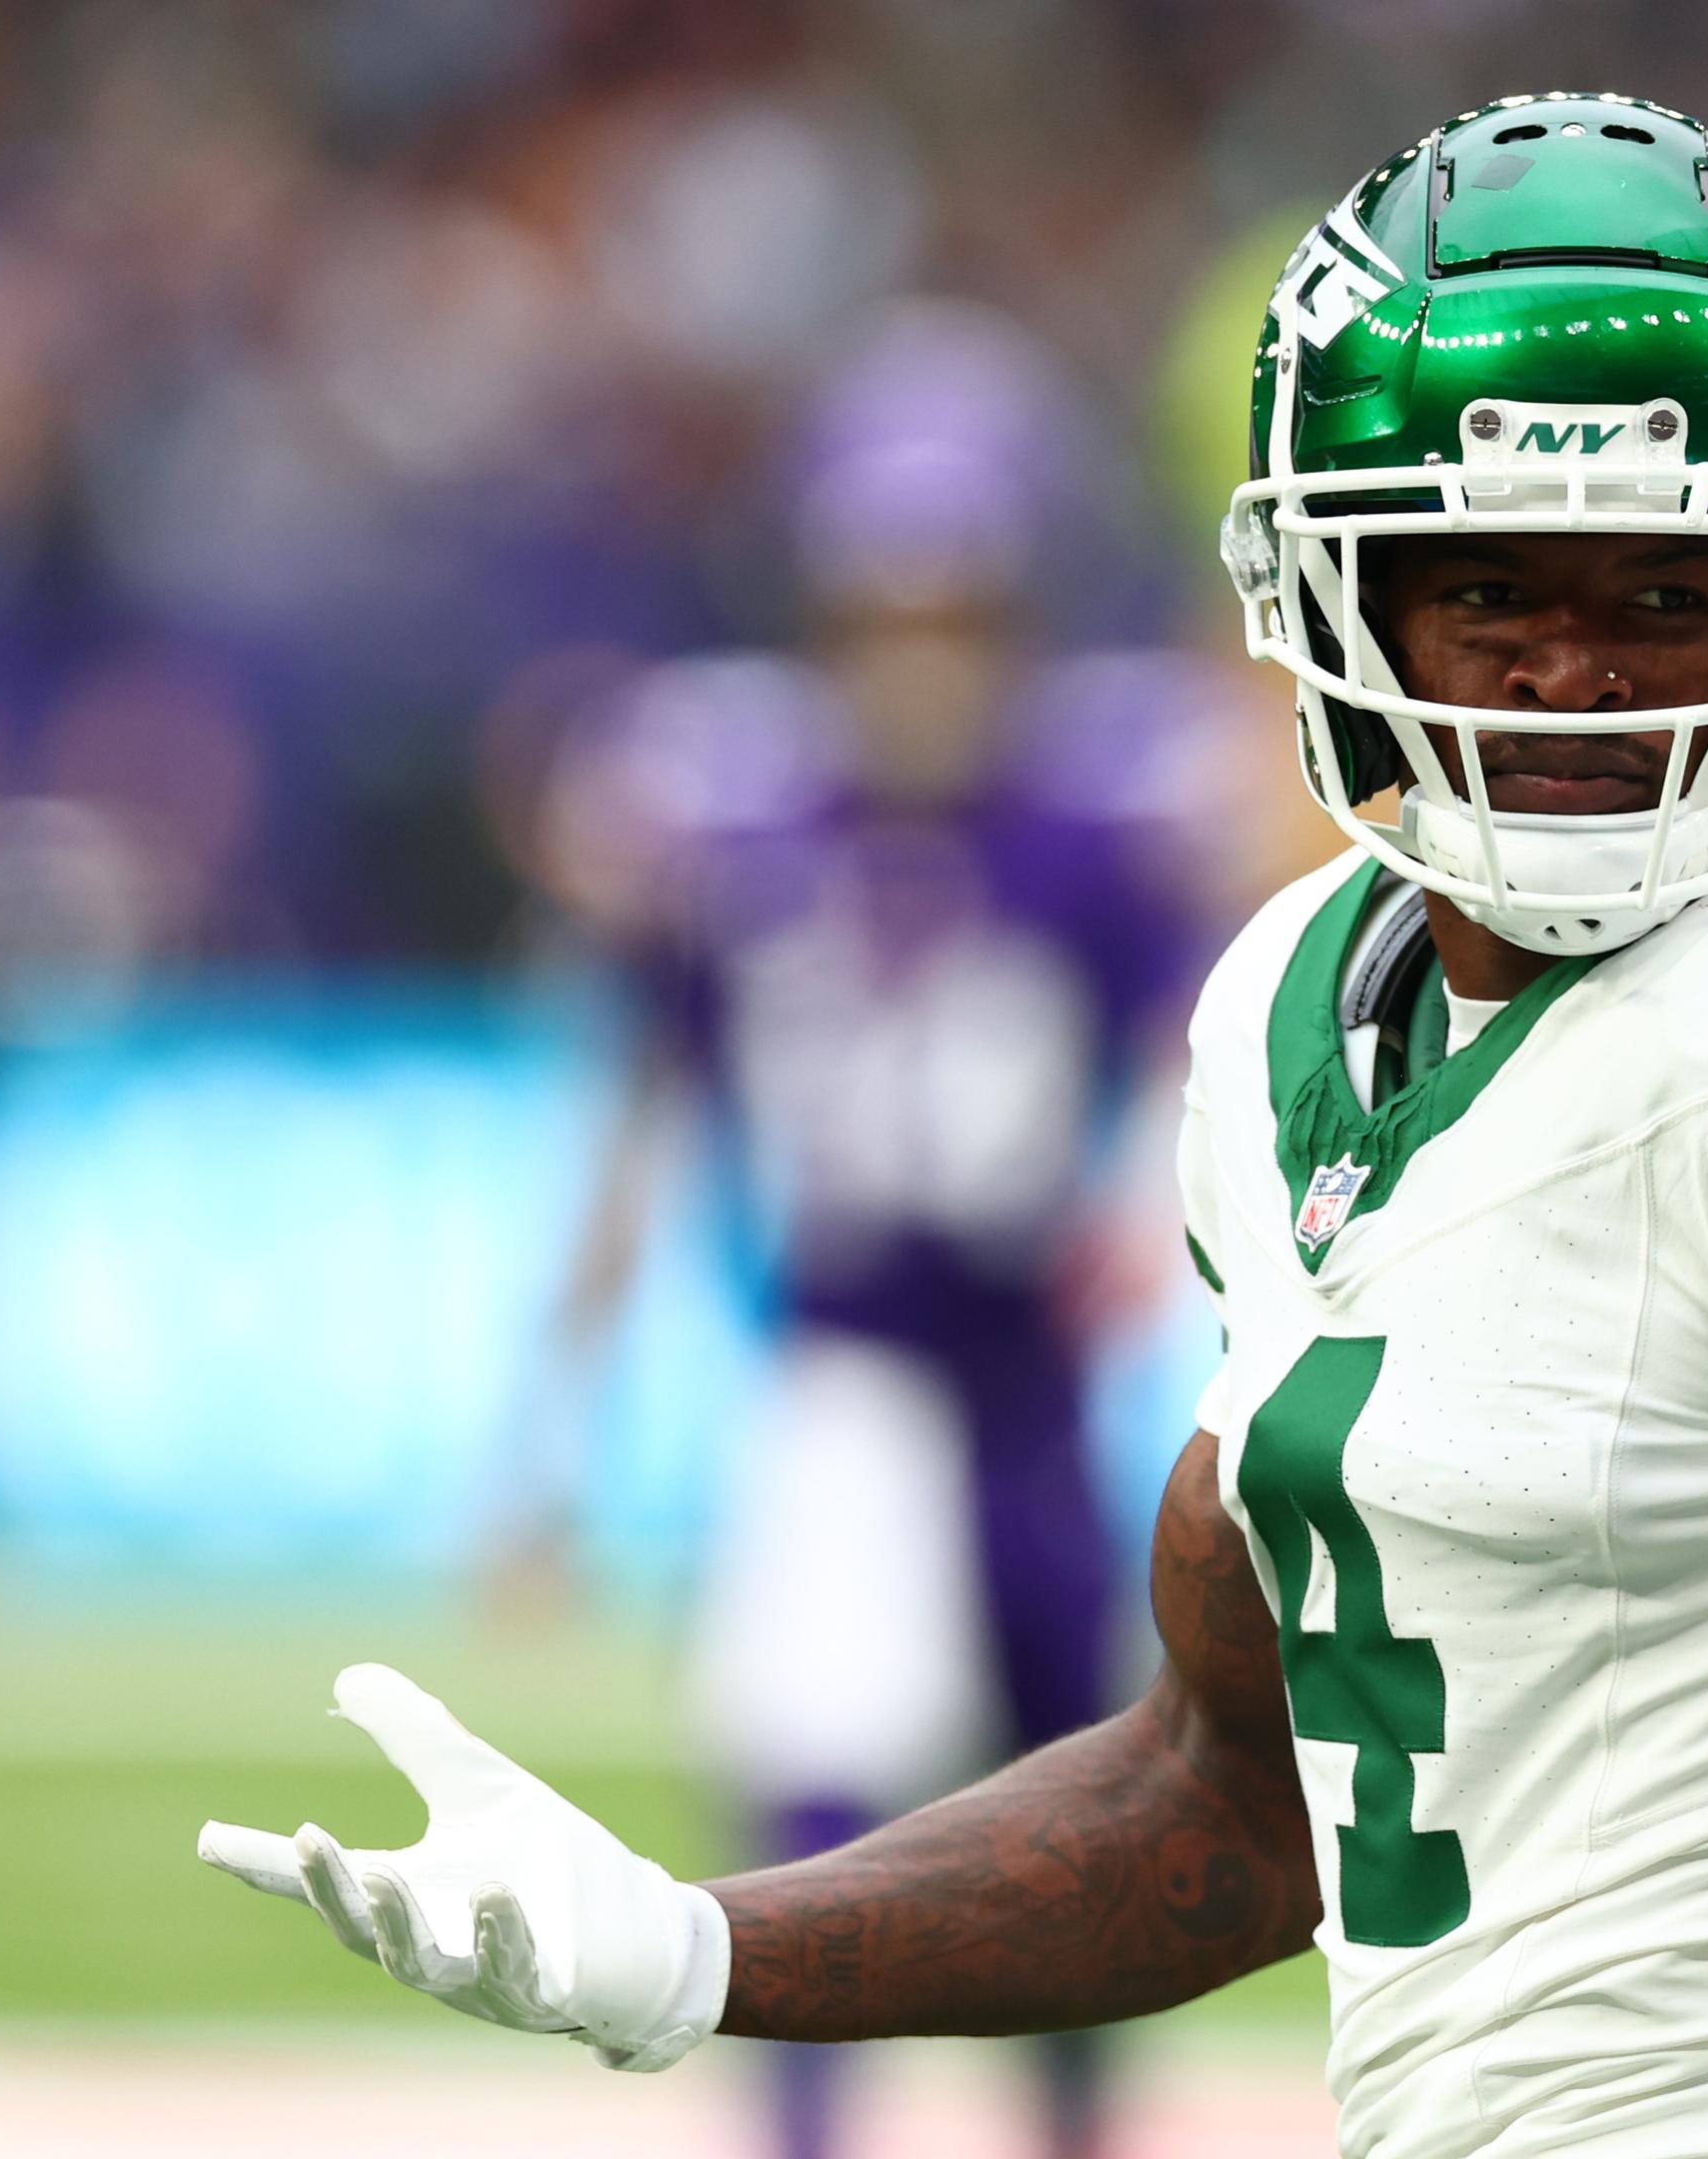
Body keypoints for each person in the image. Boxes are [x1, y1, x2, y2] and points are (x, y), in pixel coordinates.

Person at [199, 93, 1708, 2159]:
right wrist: (686, 1953)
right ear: (1337, 601)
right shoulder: (1290, 1005)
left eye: (1668, 597)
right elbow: (1230, 1798)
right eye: (1490, 594)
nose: (1573, 675)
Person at [510, 302, 1197, 2159]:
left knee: (1090, 1840)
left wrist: (1159, 1228)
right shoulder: (737, 827)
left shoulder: (1088, 832)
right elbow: (636, 1136)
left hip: (1032, 1393)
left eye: (955, 616)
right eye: (889, 617)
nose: (920, 661)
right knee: (816, 1830)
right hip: (833, 1381)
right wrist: (545, 1452)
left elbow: (1188, 1072)